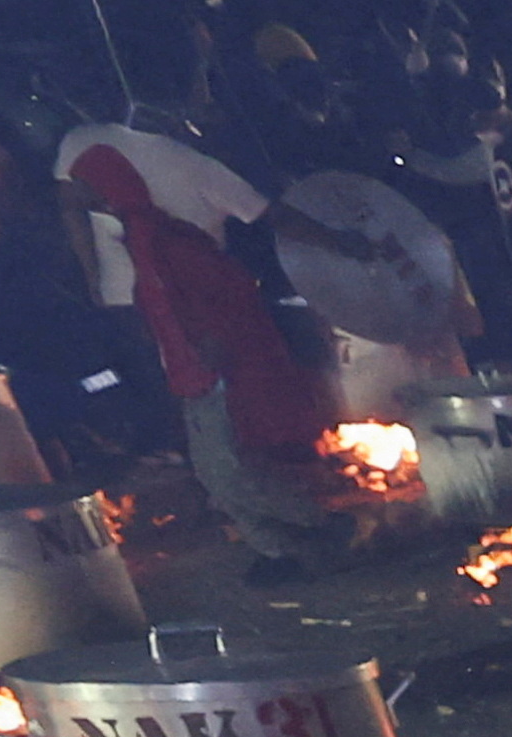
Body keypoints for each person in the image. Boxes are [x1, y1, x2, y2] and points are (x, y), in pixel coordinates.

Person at [58, 136, 350, 576]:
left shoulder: (164, 239)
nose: (74, 195)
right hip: (192, 371)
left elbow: (217, 293)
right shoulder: (145, 235)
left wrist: (210, 349)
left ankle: (317, 527)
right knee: (219, 470)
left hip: (209, 371)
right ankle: (283, 546)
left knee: (226, 471)